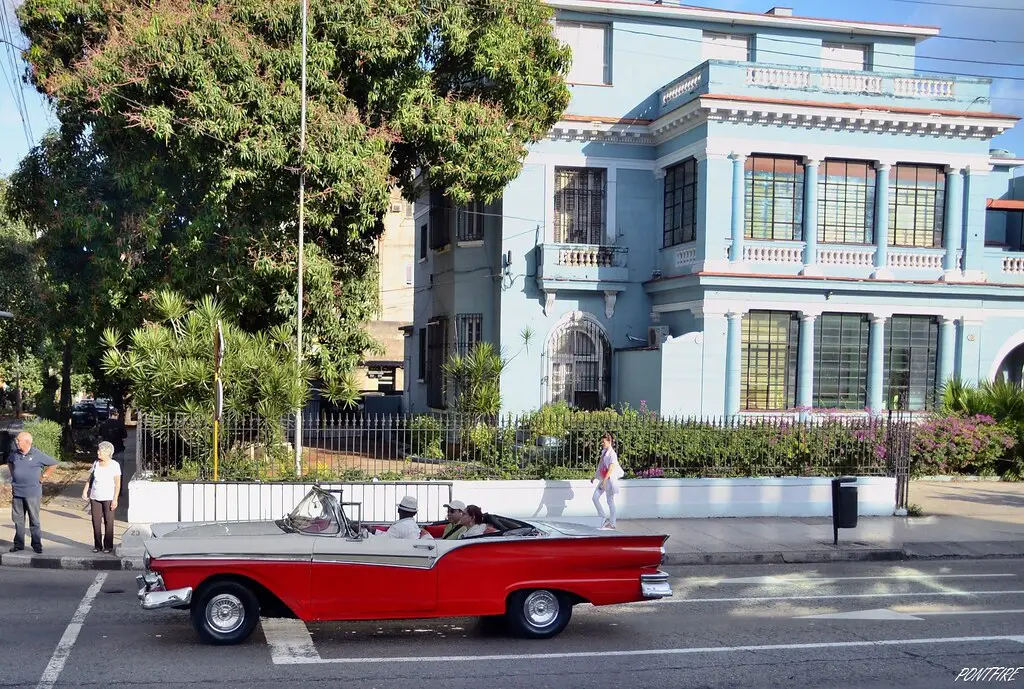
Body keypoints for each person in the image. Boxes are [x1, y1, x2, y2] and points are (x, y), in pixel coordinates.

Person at [7, 431, 59, 554]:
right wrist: (14, 474)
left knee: (34, 520)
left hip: (32, 493)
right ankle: (18, 544)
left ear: (26, 442)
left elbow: (54, 463)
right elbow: (9, 462)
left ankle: (36, 545)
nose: (16, 442)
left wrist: (44, 476)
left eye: (18, 440)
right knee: (18, 520)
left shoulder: (37, 454)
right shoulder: (15, 454)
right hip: (17, 492)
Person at [82, 441, 122, 553]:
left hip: (108, 497)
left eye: (100, 451)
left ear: (107, 453)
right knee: (96, 521)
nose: (98, 452)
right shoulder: (96, 463)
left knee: (109, 522)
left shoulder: (115, 465)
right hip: (95, 496)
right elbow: (91, 478)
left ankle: (108, 546)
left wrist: (115, 499)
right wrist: (85, 491)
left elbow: (118, 484)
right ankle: (97, 545)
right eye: (98, 450)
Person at [592, 431, 623, 530]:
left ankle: (612, 523)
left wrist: (604, 481)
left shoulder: (612, 454)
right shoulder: (604, 452)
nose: (602, 444)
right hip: (604, 480)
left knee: (610, 501)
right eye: (602, 442)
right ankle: (603, 519)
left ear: (609, 442)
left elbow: (611, 469)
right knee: (595, 498)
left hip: (609, 481)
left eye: (603, 442)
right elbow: (600, 466)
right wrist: (595, 476)